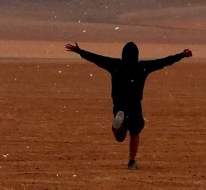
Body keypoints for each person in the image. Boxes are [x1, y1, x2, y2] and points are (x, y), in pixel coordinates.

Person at [65, 41, 192, 170]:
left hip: (119, 104)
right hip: (134, 104)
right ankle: (131, 161)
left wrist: (80, 51)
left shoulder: (115, 65)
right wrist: (181, 55)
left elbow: (97, 59)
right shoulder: (142, 67)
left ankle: (117, 128)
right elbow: (163, 62)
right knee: (135, 131)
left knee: (120, 137)